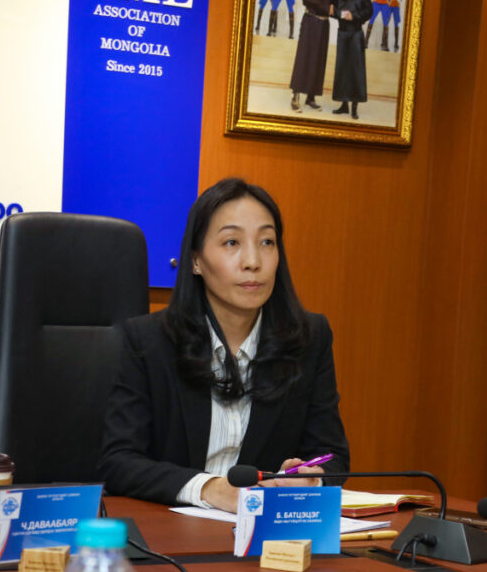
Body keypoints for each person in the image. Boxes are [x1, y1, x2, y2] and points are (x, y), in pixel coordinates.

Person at [98, 178, 349, 513]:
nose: (253, 261)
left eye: (267, 242)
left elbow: (333, 457)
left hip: (263, 530)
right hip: (170, 530)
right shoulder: (150, 340)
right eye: (232, 242)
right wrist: (209, 488)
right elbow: (118, 462)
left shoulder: (308, 338)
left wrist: (311, 479)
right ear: (196, 260)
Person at [289, 0, 334, 112]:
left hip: (324, 25)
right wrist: (327, 8)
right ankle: (295, 97)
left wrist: (343, 11)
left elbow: (335, 3)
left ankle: (311, 97)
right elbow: (308, 0)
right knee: (304, 58)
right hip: (310, 22)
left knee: (319, 60)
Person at [331, 0, 372, 119]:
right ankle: (344, 105)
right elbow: (332, 10)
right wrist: (342, 14)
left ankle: (354, 106)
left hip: (356, 34)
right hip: (342, 34)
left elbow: (369, 11)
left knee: (356, 70)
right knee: (342, 69)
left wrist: (354, 16)